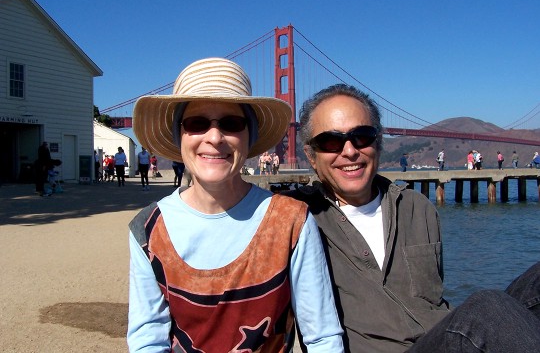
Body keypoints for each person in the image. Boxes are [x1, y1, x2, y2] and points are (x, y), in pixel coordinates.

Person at [285, 83, 540, 352]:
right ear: (312, 156)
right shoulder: (293, 215)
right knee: (487, 309)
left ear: (378, 143)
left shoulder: (416, 206)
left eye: (362, 136)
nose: (349, 151)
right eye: (331, 141)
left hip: (442, 339)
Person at [127, 57, 344, 352]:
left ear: (249, 135)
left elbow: (322, 338)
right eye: (197, 123)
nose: (214, 138)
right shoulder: (148, 230)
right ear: (180, 135)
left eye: (231, 124)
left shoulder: (291, 221)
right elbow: (147, 340)